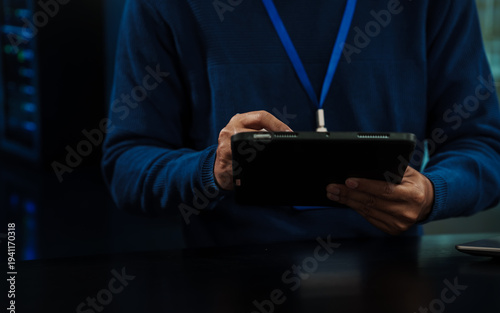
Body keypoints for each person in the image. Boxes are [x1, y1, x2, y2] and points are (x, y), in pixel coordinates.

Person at [102, 0, 500, 247]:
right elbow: (126, 164)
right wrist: (213, 169)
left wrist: (432, 192)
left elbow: (484, 146)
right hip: (227, 281)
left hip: (392, 280)